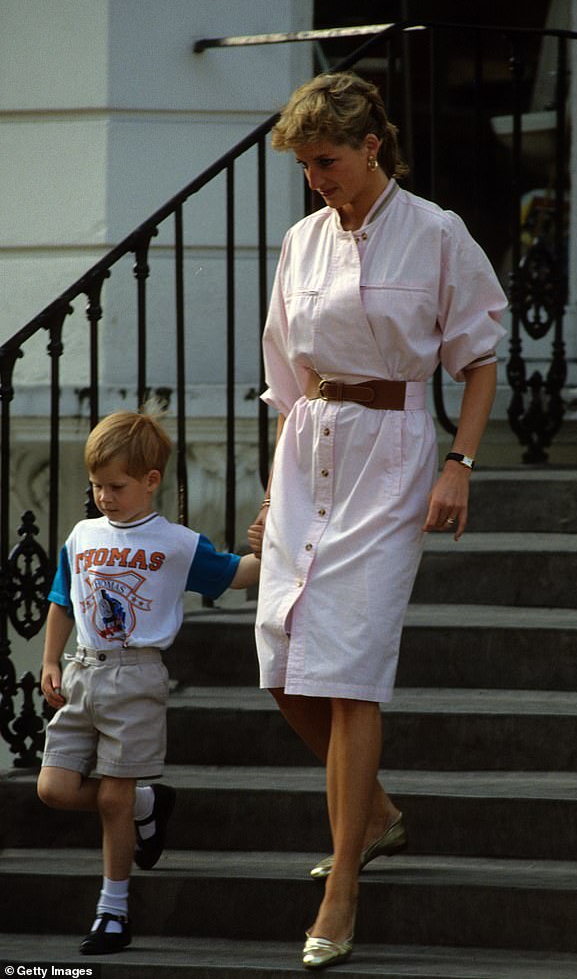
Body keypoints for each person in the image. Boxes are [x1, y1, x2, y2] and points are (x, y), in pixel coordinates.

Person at [247, 71, 507, 970]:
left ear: (371, 147)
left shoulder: (436, 233)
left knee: (351, 670)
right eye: (305, 165)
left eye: (327, 160)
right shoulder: (301, 242)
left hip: (393, 451)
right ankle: (380, 812)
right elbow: (286, 374)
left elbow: (478, 355)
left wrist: (460, 464)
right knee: (283, 661)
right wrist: (271, 493)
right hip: (308, 449)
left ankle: (342, 882)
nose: (317, 177)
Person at [37, 405, 260, 956]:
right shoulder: (83, 535)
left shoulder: (175, 543)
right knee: (54, 789)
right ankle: (147, 806)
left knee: (113, 795)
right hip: (83, 673)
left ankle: (113, 912)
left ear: (150, 481)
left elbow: (234, 575)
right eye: (96, 486)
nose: (104, 497)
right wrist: (49, 660)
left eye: (116, 486)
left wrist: (278, 548)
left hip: (136, 677)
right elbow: (63, 599)